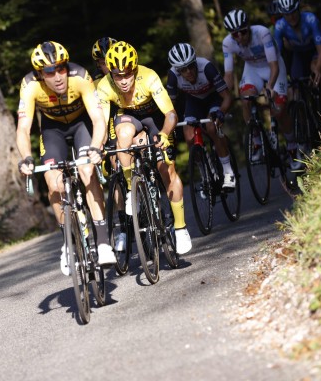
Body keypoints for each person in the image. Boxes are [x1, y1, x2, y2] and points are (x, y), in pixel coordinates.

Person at [16, 40, 116, 275]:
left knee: (87, 171)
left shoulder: (80, 76)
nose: (58, 76)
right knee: (53, 183)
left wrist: (95, 147)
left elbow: (98, 119)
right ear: (40, 74)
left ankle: (103, 242)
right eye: (50, 71)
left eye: (61, 68)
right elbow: (23, 128)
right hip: (53, 130)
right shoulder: (30, 85)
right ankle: (68, 242)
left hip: (82, 125)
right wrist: (26, 157)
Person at [96, 41, 192, 255]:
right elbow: (101, 122)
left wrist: (164, 134)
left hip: (155, 117)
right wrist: (99, 145)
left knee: (166, 170)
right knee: (122, 136)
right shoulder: (104, 85)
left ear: (135, 69)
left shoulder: (148, 77)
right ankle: (133, 191)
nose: (123, 81)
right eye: (117, 75)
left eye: (127, 74)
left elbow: (171, 114)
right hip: (129, 117)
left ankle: (180, 228)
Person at [221, 9, 302, 170]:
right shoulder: (227, 43)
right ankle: (257, 142)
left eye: (243, 32)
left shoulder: (262, 33)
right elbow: (228, 75)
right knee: (245, 101)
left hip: (273, 68)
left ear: (248, 27)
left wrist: (270, 87)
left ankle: (292, 145)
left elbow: (274, 65)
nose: (240, 37)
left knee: (278, 110)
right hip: (253, 70)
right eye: (235, 34)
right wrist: (223, 96)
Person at [165, 42, 236, 190]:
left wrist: (221, 112)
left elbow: (228, 97)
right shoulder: (173, 76)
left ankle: (228, 172)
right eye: (183, 69)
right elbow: (169, 106)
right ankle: (205, 177)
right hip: (194, 101)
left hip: (213, 98)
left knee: (211, 128)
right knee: (189, 136)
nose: (188, 72)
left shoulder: (206, 67)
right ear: (177, 70)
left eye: (191, 66)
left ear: (195, 62)